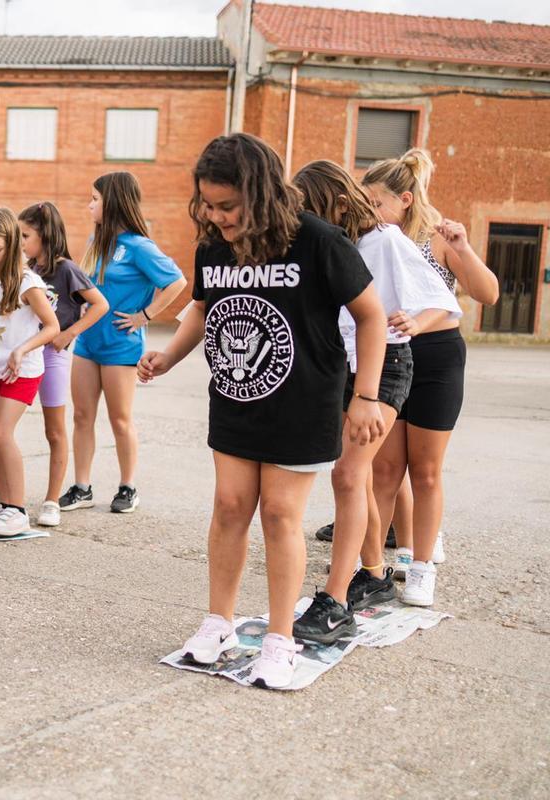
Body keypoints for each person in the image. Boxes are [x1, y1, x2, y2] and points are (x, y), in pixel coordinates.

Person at [137, 134, 387, 689]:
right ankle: (218, 623)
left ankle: (279, 638)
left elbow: (371, 317)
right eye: (208, 203)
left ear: (262, 193)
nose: (215, 216)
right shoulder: (213, 249)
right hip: (235, 397)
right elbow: (203, 307)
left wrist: (366, 395)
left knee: (279, 514)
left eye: (228, 206)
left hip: (303, 402)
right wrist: (169, 357)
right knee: (229, 506)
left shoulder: (319, 242)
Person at [289, 160, 459, 644]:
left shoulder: (384, 240)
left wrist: (414, 321)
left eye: (311, 209)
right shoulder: (337, 245)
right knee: (355, 475)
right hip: (343, 365)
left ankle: (335, 599)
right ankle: (375, 573)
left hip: (385, 367)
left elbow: (444, 300)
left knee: (348, 474)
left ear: (337, 204)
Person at [362, 149, 499, 606]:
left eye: (376, 203)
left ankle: (421, 567)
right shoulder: (371, 238)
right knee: (383, 470)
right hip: (389, 355)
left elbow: (487, 294)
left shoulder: (435, 236)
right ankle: (371, 566)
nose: (370, 212)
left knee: (425, 470)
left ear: (403, 199)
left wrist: (462, 248)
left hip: (437, 357)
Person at [62, 172, 186, 516]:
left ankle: (127, 486)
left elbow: (177, 282)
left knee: (120, 419)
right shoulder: (97, 241)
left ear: (113, 202)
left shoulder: (140, 247)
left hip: (121, 347)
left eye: (95, 199)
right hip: (88, 342)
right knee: (83, 416)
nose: (89, 205)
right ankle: (82, 487)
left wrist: (145, 315)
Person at [17, 202, 109, 527]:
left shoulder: (66, 269)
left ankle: (52, 500)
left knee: (54, 430)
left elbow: (100, 304)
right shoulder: (25, 270)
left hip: (53, 356)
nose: (21, 241)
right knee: (0, 426)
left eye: (25, 234)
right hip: (25, 354)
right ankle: (7, 497)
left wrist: (69, 332)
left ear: (44, 234)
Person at [0, 208, 60, 535]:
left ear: (12, 245)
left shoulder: (28, 283)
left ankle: (17, 509)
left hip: (22, 370)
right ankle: (3, 502)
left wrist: (22, 349)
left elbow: (52, 326)